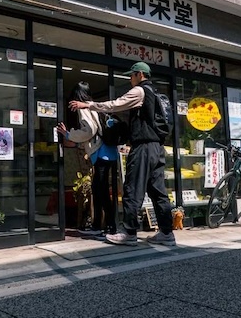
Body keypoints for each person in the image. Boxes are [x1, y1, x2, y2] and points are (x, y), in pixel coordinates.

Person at [69, 62, 175, 247]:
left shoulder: (140, 91)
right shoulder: (155, 93)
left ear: (140, 74)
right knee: (158, 192)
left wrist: (88, 105)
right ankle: (166, 233)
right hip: (157, 148)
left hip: (143, 147)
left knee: (132, 189)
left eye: (132, 75)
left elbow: (114, 105)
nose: (130, 79)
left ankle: (129, 232)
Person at [57, 82, 102, 236]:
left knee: (98, 190)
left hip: (98, 152)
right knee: (100, 190)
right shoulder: (93, 106)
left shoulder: (84, 109)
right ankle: (106, 225)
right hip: (106, 151)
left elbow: (89, 131)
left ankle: (98, 226)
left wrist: (68, 134)